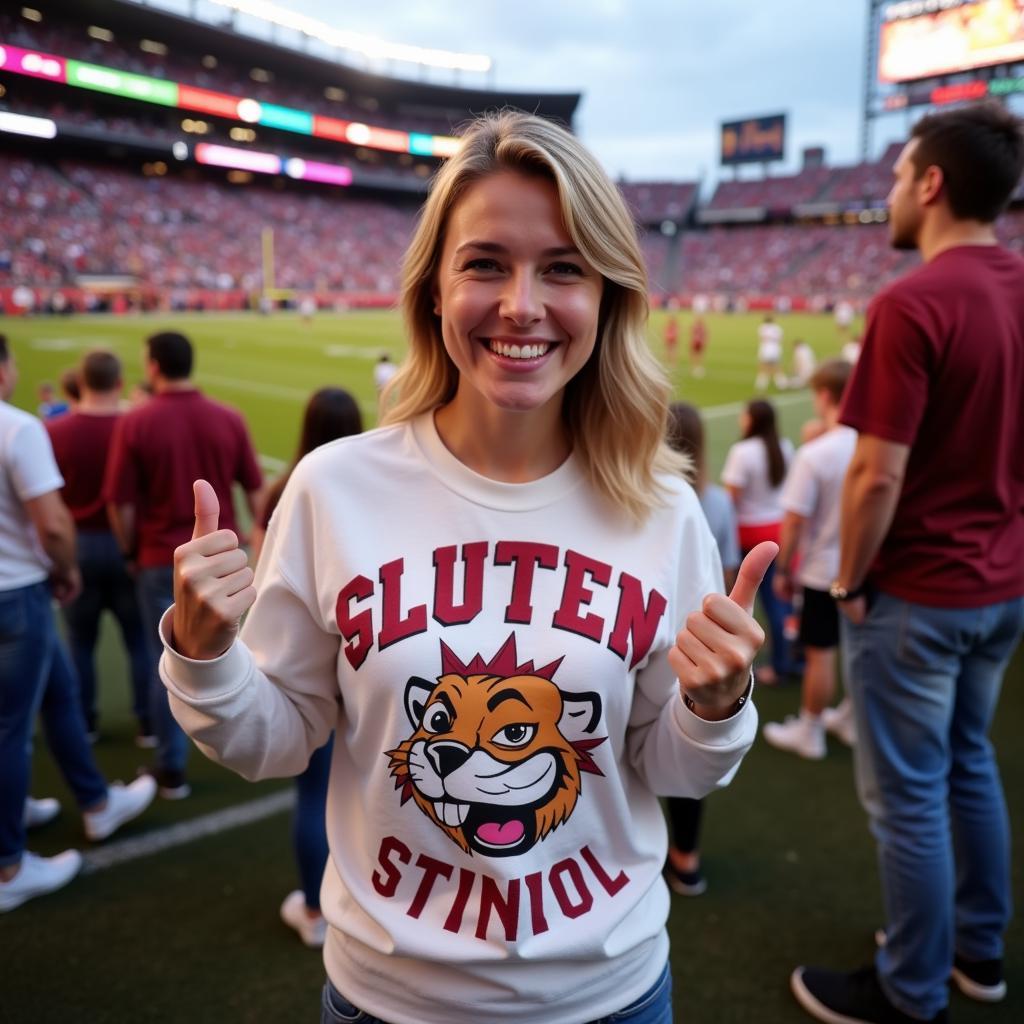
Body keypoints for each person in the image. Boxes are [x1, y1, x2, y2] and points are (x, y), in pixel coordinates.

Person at [159, 112, 775, 1024]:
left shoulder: (664, 508)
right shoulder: (335, 488)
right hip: (387, 1000)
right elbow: (278, 739)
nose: (521, 303)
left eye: (562, 267)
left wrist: (716, 709)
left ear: (605, 295)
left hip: (610, 996)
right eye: (485, 263)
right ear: (433, 290)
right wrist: (205, 656)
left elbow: (666, 768)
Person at [791, 104, 1024, 1024]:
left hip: (922, 593)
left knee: (909, 799)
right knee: (971, 762)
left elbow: (875, 474)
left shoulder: (914, 300)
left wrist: (848, 578)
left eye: (896, 176)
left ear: (931, 186)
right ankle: (979, 951)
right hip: (1002, 586)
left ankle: (911, 988)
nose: (887, 193)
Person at [0, 336, 156, 913]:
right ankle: (8, 865)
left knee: (61, 690)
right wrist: (63, 569)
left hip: (21, 590)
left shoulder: (41, 427)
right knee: (10, 728)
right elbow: (55, 525)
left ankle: (94, 801)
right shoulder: (18, 428)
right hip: (18, 590)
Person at [105, 331, 262, 799]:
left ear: (153, 366)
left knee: (169, 660)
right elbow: (254, 487)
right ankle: (236, 746)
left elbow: (121, 504)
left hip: (159, 557)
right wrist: (255, 534)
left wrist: (131, 550)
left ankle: (169, 763)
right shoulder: (228, 417)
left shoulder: (136, 422)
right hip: (222, 563)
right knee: (228, 655)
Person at [250, 388, 363, 949]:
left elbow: (264, 570)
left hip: (313, 656)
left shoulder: (284, 489)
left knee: (315, 789)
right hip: (370, 651)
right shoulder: (377, 487)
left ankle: (319, 910)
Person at [46, 350, 154, 746]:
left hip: (78, 546)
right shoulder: (136, 426)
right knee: (140, 640)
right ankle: (147, 722)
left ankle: (85, 721)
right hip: (128, 542)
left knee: (81, 643)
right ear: (119, 382)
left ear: (81, 381)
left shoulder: (54, 431)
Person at [663, 401, 740, 897]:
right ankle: (685, 857)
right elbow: (730, 569)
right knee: (693, 747)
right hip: (703, 645)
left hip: (656, 642)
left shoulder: (655, 502)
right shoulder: (717, 501)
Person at [762, 360, 856, 760]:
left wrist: (785, 570)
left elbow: (795, 518)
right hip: (863, 566)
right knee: (857, 646)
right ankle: (850, 717)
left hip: (823, 570)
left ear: (823, 395)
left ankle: (811, 730)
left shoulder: (817, 453)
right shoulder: (872, 443)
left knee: (821, 652)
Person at [721, 399, 797, 685]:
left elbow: (731, 497)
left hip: (750, 532)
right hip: (777, 529)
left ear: (752, 420)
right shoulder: (784, 446)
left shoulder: (743, 451)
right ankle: (788, 656)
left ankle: (772, 662)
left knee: (744, 598)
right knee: (779, 601)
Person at [755, 314, 785, 390]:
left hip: (766, 349)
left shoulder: (762, 327)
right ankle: (781, 383)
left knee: (763, 366)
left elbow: (761, 338)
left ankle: (761, 384)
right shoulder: (777, 328)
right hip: (776, 349)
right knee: (777, 366)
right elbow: (781, 339)